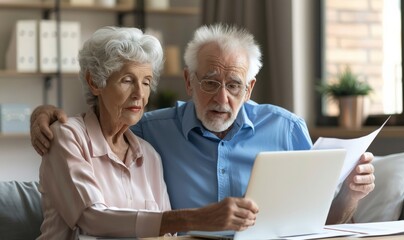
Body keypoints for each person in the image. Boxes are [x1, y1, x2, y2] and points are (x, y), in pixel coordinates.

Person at [31, 24, 375, 226]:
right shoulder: (152, 131)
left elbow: (322, 221)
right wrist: (44, 114)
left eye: (234, 85)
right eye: (210, 82)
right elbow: (104, 122)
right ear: (189, 81)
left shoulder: (285, 129)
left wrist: (350, 193)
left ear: (250, 87)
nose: (222, 99)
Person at [36, 26, 259, 239]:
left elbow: (167, 236)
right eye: (127, 80)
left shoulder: (148, 154)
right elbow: (92, 218)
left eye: (146, 82)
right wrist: (197, 218)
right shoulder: (68, 137)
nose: (139, 94)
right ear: (95, 82)